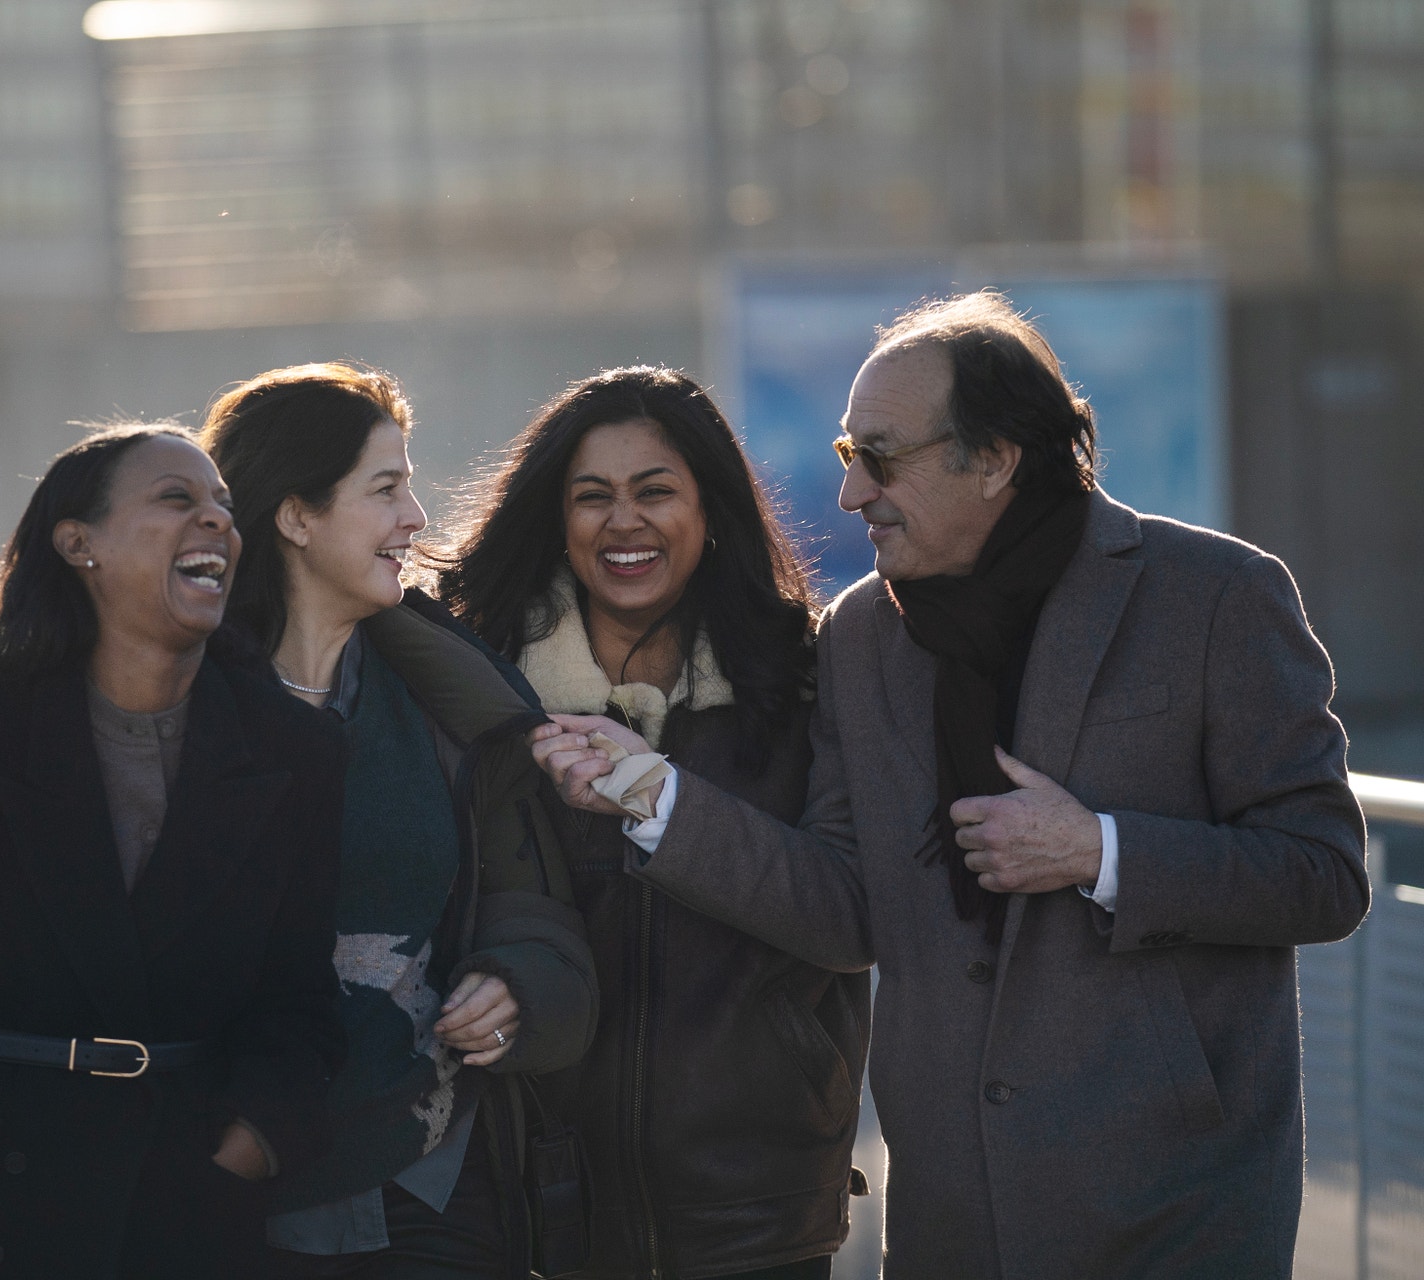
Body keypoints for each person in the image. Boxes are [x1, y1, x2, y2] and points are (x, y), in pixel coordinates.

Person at [534, 293, 1369, 1280]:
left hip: (1170, 1207)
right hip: (951, 1215)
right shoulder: (860, 637)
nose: (852, 494)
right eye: (849, 455)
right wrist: (653, 795)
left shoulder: (1216, 595)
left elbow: (1322, 873)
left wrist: (1097, 848)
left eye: (880, 457)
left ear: (997, 456)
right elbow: (848, 909)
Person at [0, 424, 345, 1279]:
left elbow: (300, 996)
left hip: (193, 1213)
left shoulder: (292, 751)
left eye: (225, 508)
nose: (218, 523)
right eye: (177, 499)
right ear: (77, 542)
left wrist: (253, 1143)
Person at [435, 366, 869, 1280]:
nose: (622, 522)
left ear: (711, 509)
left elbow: (847, 916)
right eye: (592, 497)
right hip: (536, 1207)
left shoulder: (808, 677)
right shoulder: (483, 696)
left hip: (759, 1214)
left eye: (655, 492)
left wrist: (655, 797)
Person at [200, 362, 599, 1279]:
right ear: (295, 517)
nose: (416, 518)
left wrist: (517, 984)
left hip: (432, 1185)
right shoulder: (181, 711)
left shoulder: (448, 702)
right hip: (230, 1189)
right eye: (386, 490)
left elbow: (532, 909)